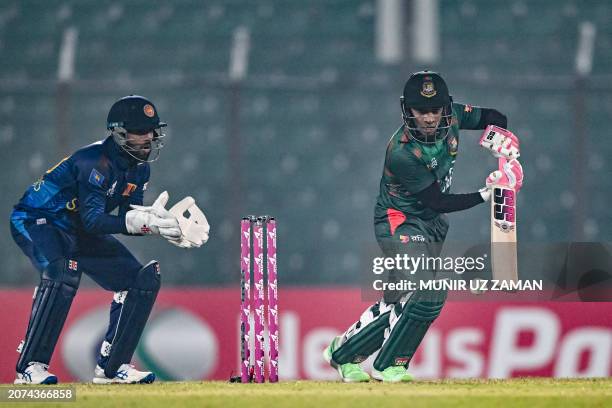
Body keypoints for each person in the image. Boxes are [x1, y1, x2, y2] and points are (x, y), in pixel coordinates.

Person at [323, 71, 523, 382]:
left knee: (399, 299)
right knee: (428, 289)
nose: (429, 118)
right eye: (421, 111)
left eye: (435, 110)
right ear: (408, 110)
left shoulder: (453, 114)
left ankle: (341, 354)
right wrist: (489, 193)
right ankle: (387, 365)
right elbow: (437, 201)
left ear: (446, 107)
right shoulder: (402, 152)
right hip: (399, 222)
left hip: (432, 226)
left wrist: (503, 149)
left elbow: (497, 117)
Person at [9, 95, 209, 384]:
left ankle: (113, 368)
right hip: (38, 219)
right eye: (140, 132)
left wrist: (160, 226)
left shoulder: (140, 169)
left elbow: (129, 215)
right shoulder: (95, 162)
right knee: (62, 271)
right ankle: (30, 367)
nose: (147, 138)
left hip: (79, 229)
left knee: (141, 279)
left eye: (150, 131)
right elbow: (95, 220)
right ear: (119, 133)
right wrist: (139, 223)